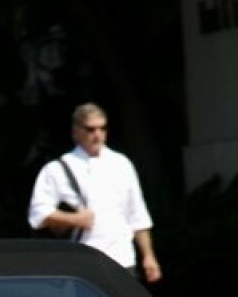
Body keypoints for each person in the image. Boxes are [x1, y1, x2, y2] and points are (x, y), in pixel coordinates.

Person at [28, 103, 162, 282]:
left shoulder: (121, 164)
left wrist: (148, 256)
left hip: (123, 259)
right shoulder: (58, 168)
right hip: (83, 261)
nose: (97, 134)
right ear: (76, 131)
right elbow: (38, 214)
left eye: (102, 128)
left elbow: (137, 213)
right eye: (91, 129)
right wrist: (74, 219)